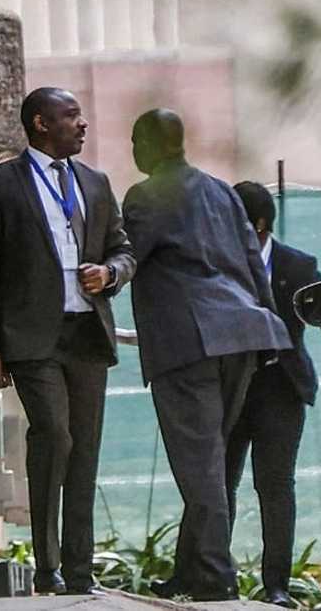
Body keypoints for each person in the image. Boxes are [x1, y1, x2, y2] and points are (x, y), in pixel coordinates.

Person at [0, 87, 136, 595]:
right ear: (41, 123)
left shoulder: (96, 183)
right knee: (54, 436)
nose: (82, 124)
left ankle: (79, 573)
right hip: (31, 338)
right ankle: (48, 565)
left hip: (86, 333)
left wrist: (108, 273)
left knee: (83, 450)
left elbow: (124, 251)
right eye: (71, 116)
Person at [121, 109, 291, 601]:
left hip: (187, 341)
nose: (132, 150)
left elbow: (129, 256)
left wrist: (100, 274)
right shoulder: (221, 190)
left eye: (136, 140)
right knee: (209, 461)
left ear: (153, 145)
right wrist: (271, 322)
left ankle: (216, 577)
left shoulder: (145, 195)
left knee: (201, 467)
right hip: (243, 333)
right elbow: (251, 261)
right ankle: (191, 570)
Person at [226, 181, 321, 607]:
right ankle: (218, 577)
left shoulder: (298, 266)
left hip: (280, 388)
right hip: (231, 388)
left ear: (257, 226)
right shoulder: (217, 266)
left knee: (275, 486)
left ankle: (276, 586)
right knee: (219, 484)